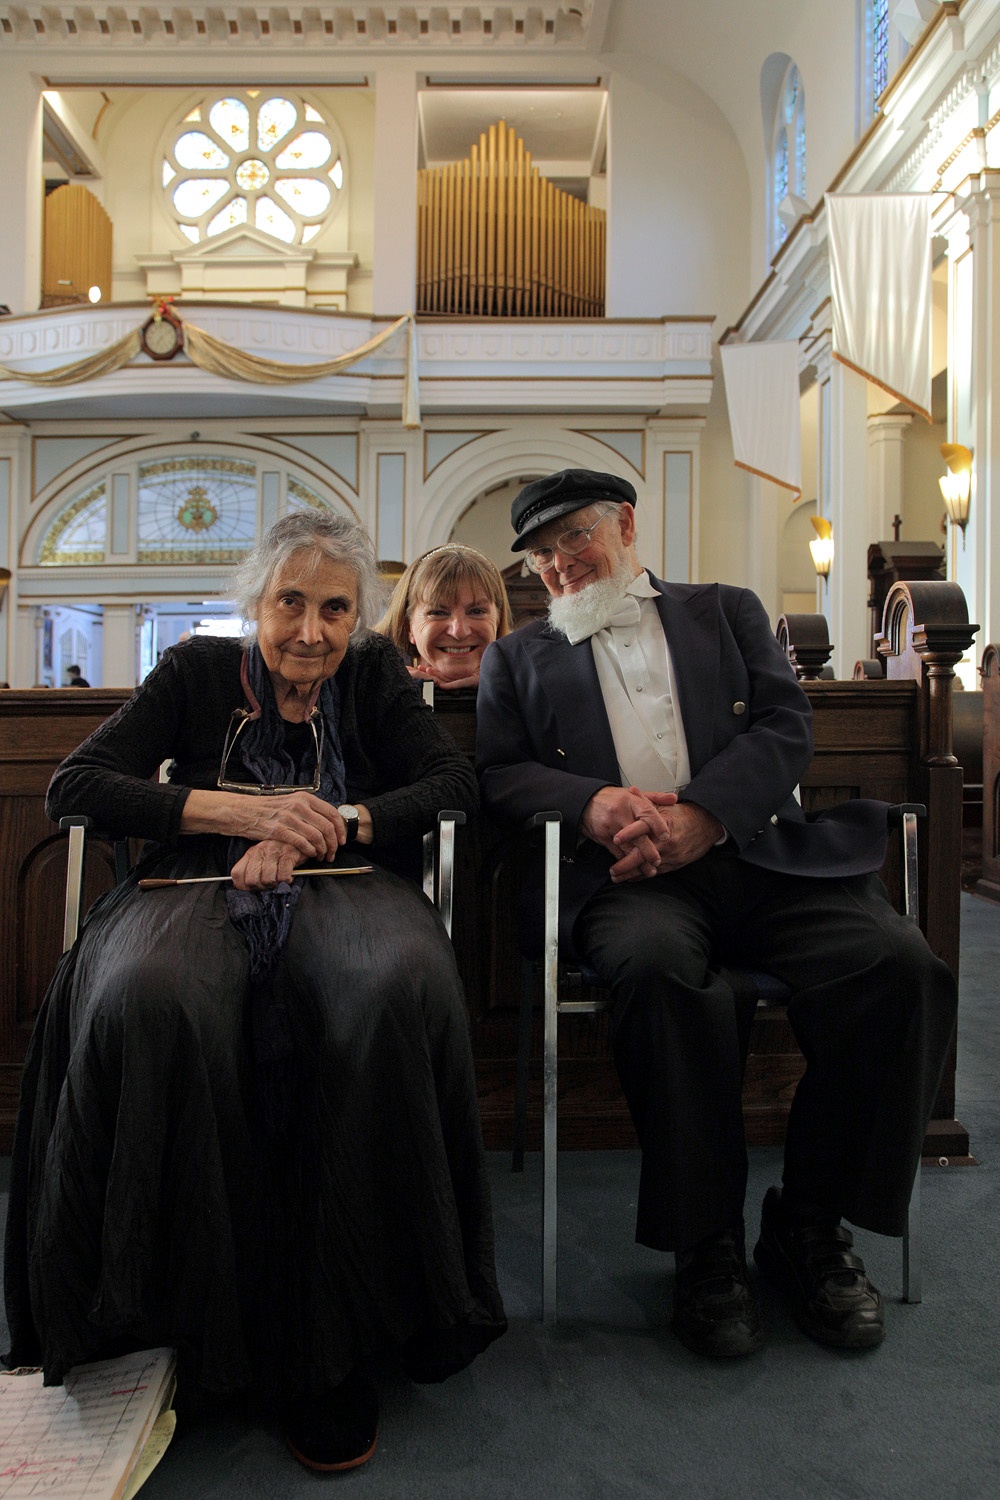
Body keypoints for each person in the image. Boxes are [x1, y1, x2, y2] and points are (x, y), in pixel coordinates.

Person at [4, 511, 505, 1471]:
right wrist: (235, 809)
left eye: (334, 608)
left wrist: (337, 821)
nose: (310, 631)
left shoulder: (373, 679)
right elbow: (76, 785)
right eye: (290, 603)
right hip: (191, 881)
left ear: (361, 619)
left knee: (389, 988)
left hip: (346, 880)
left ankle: (339, 1336)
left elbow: (452, 785)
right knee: (155, 998)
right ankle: (169, 1319)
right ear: (255, 604)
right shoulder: (192, 671)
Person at [476, 467, 957, 1360]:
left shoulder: (725, 610)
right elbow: (502, 774)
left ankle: (808, 1225)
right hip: (632, 882)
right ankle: (708, 1245)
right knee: (660, 976)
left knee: (900, 972)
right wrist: (590, 804)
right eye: (541, 557)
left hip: (762, 856)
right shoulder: (518, 656)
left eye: (573, 539)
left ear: (624, 524)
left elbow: (785, 724)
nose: (559, 568)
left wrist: (703, 817)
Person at [376, 543, 512, 690]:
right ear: (408, 626)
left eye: (476, 611)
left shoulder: (527, 685)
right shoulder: (371, 687)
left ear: (498, 619)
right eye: (438, 613)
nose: (459, 632)